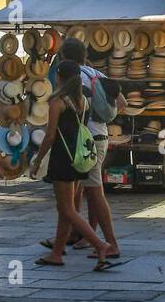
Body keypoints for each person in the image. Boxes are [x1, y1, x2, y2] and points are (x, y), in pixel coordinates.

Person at [39, 37, 123, 262]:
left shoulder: (76, 77)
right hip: (100, 135)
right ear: (84, 55)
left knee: (93, 193)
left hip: (82, 141)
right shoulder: (98, 75)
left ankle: (109, 244)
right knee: (79, 194)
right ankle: (67, 243)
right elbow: (121, 103)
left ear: (63, 58)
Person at [29, 60, 114, 271]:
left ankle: (100, 244)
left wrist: (37, 160)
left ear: (59, 76)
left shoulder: (57, 102)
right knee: (65, 209)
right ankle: (57, 253)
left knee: (67, 209)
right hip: (78, 158)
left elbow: (49, 137)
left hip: (62, 158)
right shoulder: (82, 100)